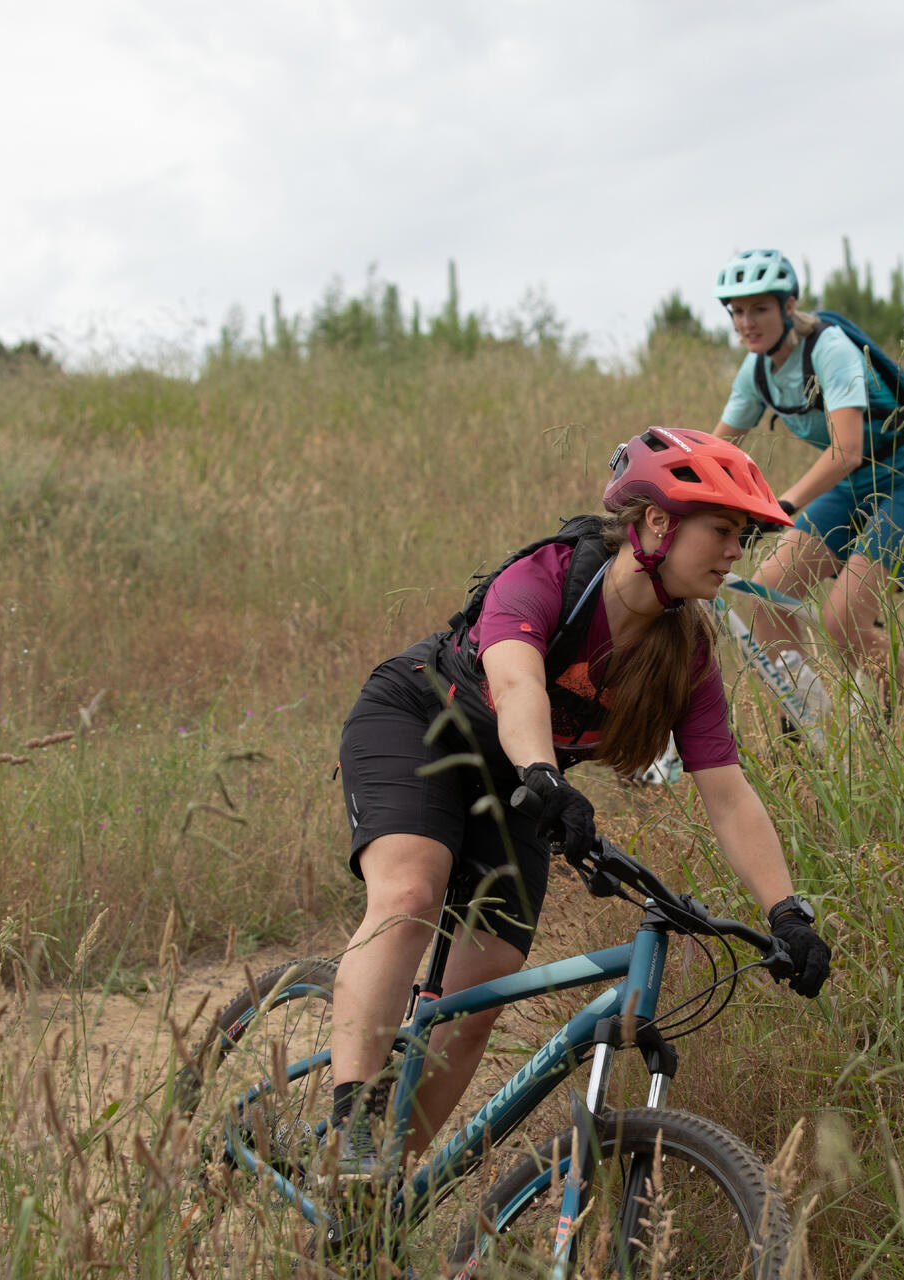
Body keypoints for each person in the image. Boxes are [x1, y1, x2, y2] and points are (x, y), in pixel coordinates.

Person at [328, 426, 833, 1178]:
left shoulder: (686, 654)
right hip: (421, 724)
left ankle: (374, 1199)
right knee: (409, 893)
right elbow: (516, 686)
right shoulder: (550, 575)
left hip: (524, 781)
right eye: (723, 530)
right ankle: (351, 1129)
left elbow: (727, 793)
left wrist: (787, 913)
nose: (736, 551)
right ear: (657, 524)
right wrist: (545, 775)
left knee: (478, 999)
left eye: (744, 537)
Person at [710, 248, 904, 718]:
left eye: (759, 308)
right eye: (737, 311)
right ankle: (816, 727)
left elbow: (846, 451)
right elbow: (718, 451)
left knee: (843, 619)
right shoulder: (756, 370)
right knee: (763, 598)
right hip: (850, 488)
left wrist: (781, 506)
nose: (747, 322)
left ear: (788, 305)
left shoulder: (829, 348)